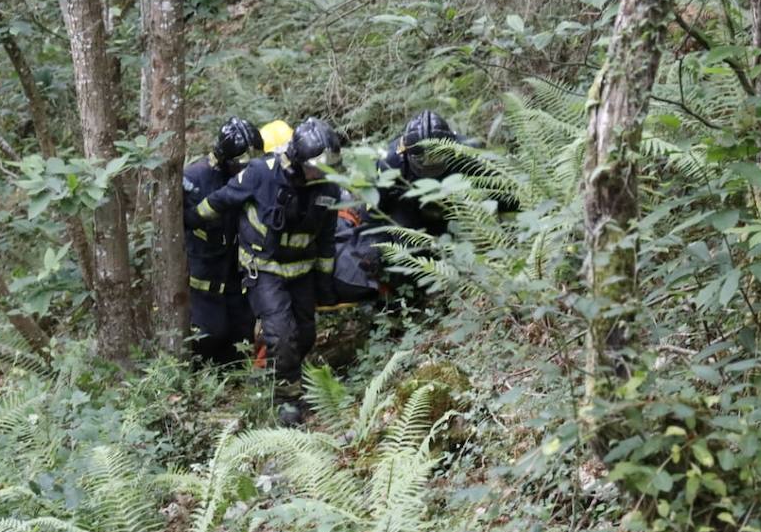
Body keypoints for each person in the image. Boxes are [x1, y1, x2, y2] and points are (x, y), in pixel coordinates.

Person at [187, 117, 343, 425]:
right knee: (281, 335)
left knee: (304, 334)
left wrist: (325, 283)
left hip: (301, 272)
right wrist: (192, 218)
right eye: (316, 167)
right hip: (264, 270)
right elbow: (220, 200)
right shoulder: (261, 174)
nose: (321, 173)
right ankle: (287, 402)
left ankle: (273, 377)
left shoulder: (328, 190)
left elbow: (326, 240)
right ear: (298, 161)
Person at [182, 117, 263, 365]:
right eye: (241, 165)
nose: (246, 170)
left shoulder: (255, 178)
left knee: (241, 343)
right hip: (203, 284)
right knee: (209, 338)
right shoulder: (194, 180)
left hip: (237, 282)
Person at [376, 109, 515, 237]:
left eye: (436, 157)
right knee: (403, 231)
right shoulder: (390, 162)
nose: (428, 164)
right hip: (411, 210)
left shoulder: (469, 152)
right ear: (408, 153)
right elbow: (373, 211)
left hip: (456, 206)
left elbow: (504, 193)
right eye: (422, 159)